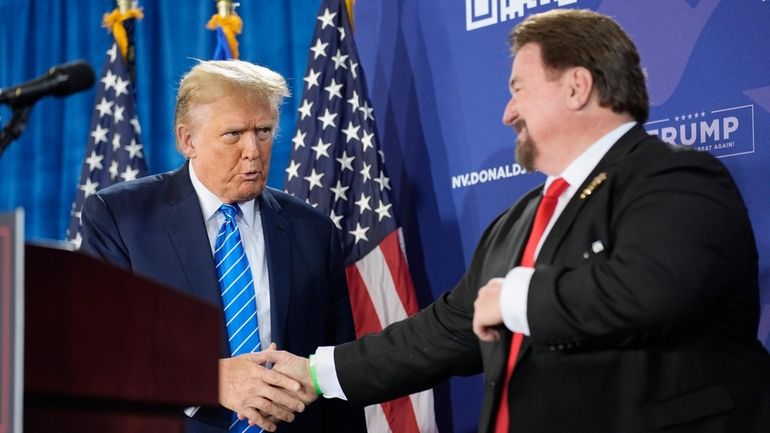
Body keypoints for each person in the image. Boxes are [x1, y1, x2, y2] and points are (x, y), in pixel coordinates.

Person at [258, 8, 770, 433]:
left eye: (519, 88)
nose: (507, 112)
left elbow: (650, 290)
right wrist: (316, 373)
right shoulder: (519, 221)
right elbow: (443, 333)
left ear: (577, 87)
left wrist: (516, 297)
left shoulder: (675, 176)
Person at [80, 60, 366, 433]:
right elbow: (99, 351)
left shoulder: (312, 230)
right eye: (233, 134)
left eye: (264, 131)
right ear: (187, 140)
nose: (253, 150)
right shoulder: (122, 217)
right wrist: (209, 381)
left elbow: (334, 371)